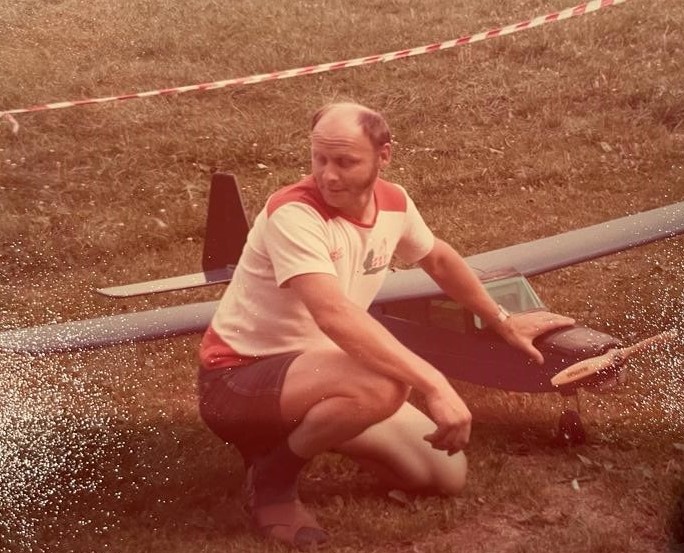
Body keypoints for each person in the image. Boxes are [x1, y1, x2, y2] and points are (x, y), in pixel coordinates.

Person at [197, 102, 574, 549]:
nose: (328, 175)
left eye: (345, 161)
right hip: (237, 379)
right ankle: (272, 480)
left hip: (317, 374)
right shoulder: (293, 213)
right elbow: (334, 314)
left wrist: (502, 321)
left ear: (384, 156)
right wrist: (433, 383)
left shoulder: (394, 203)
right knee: (383, 381)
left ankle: (313, 426)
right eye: (319, 158)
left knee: (443, 475)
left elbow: (437, 257)